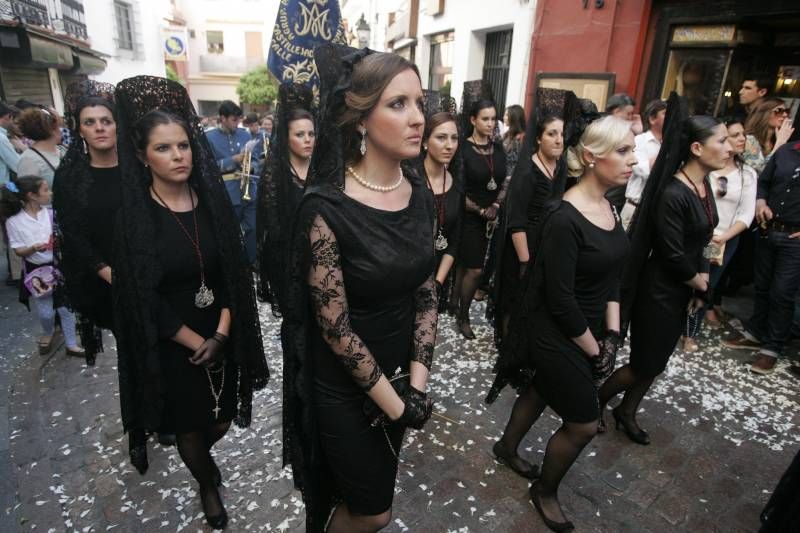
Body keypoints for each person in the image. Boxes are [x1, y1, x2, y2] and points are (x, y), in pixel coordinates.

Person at [282, 45, 437, 532]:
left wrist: (415, 386)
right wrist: (397, 405)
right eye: (398, 104)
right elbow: (334, 326)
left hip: (400, 378)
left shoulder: (419, 192)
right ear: (361, 120)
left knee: (373, 501)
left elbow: (427, 293)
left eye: (419, 102)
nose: (417, 118)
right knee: (374, 512)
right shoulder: (325, 208)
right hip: (347, 388)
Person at [113, 76, 269, 529]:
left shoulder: (211, 201)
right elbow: (142, 294)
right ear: (143, 156)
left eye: (183, 145)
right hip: (172, 339)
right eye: (164, 148)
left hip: (220, 327)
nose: (178, 156)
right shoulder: (135, 217)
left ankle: (206, 465)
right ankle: (206, 484)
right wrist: (191, 339)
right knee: (187, 427)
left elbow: (232, 274)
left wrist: (221, 332)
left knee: (218, 421)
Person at [488, 110, 632, 532]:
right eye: (622, 151)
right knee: (585, 422)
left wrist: (612, 332)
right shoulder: (563, 217)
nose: (632, 160)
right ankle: (544, 491)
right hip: (557, 332)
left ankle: (506, 445)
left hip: (589, 332)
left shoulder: (610, 206)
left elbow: (613, 277)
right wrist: (595, 349)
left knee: (539, 391)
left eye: (632, 151)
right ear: (591, 156)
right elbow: (561, 300)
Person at [599, 101, 731, 446]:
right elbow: (671, 253)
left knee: (656, 362)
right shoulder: (673, 192)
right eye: (722, 141)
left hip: (685, 286)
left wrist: (701, 279)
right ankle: (596, 402)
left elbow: (705, 239)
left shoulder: (703, 188)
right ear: (697, 148)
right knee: (644, 362)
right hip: (659, 289)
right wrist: (698, 282)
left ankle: (626, 411)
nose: (729, 148)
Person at [52, 80, 119, 367]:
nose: (99, 127)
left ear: (118, 125)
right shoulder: (70, 177)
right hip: (107, 278)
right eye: (90, 122)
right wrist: (110, 274)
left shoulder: (139, 171)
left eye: (106, 120)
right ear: (79, 130)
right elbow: (73, 233)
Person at [721, 140, 800, 375]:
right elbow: (763, 182)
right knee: (762, 286)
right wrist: (761, 202)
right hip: (769, 230)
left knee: (782, 292)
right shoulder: (786, 151)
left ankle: (772, 348)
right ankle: (755, 333)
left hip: (795, 238)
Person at [680, 116, 756, 352]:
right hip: (698, 235)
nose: (741, 139)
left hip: (722, 240)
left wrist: (723, 237)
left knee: (706, 285)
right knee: (686, 279)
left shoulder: (747, 174)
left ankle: (690, 332)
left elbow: (747, 213)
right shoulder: (705, 167)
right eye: (732, 136)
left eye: (742, 134)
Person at [492, 106, 565, 344]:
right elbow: (516, 222)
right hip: (524, 248)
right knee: (514, 300)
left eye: (561, 134)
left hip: (547, 244)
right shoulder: (527, 173)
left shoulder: (560, 166)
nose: (558, 140)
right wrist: (525, 262)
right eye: (552, 134)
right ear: (538, 139)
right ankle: (507, 348)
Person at [2, 177, 83, 356]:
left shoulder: (51, 214)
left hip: (57, 267)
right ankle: (49, 331)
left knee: (65, 308)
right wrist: (33, 248)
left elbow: (63, 237)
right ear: (32, 196)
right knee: (46, 312)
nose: (50, 193)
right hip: (36, 272)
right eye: (46, 190)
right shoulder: (14, 222)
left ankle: (71, 344)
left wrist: (58, 241)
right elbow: (18, 250)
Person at [257, 82, 315, 313]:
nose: (307, 139)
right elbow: (274, 229)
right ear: (287, 137)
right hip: (289, 266)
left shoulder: (321, 171)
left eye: (311, 133)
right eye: (300, 134)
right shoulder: (275, 175)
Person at [454, 90, 508, 339]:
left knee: (469, 265)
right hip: (468, 216)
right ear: (473, 120)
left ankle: (456, 302)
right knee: (474, 269)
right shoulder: (462, 149)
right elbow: (457, 187)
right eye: (485, 119)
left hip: (492, 217)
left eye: (493, 119)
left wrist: (496, 206)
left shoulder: (498, 149)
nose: (490, 124)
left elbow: (504, 180)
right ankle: (463, 316)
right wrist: (480, 210)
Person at [417, 91, 463, 314]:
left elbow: (454, 241)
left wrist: (437, 283)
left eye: (454, 138)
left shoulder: (456, 185)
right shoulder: (411, 182)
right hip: (407, 279)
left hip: (437, 279)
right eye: (441, 137)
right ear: (425, 141)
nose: (450, 145)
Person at [205, 100, 258, 264]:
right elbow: (207, 167)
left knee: (253, 228)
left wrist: (251, 167)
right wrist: (232, 160)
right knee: (229, 231)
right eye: (234, 120)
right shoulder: (209, 137)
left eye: (238, 119)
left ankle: (251, 263)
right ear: (223, 118)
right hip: (227, 192)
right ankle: (232, 264)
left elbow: (255, 161)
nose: (237, 123)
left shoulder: (245, 134)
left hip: (249, 189)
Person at [620, 99, 666, 229]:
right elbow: (644, 171)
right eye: (665, 113)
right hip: (634, 208)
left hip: (656, 212)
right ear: (652, 119)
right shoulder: (640, 140)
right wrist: (667, 145)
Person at [16, 107, 65, 188]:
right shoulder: (29, 161)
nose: (62, 130)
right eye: (59, 126)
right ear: (51, 130)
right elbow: (27, 194)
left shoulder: (62, 150)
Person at [743, 97, 794, 173]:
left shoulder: (777, 140)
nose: (785, 114)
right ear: (764, 114)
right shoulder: (749, 139)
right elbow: (759, 171)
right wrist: (779, 144)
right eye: (779, 111)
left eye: (787, 111)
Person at [502, 104, 526, 177]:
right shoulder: (507, 135)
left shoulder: (521, 138)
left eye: (506, 115)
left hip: (512, 179)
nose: (504, 117)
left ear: (514, 117)